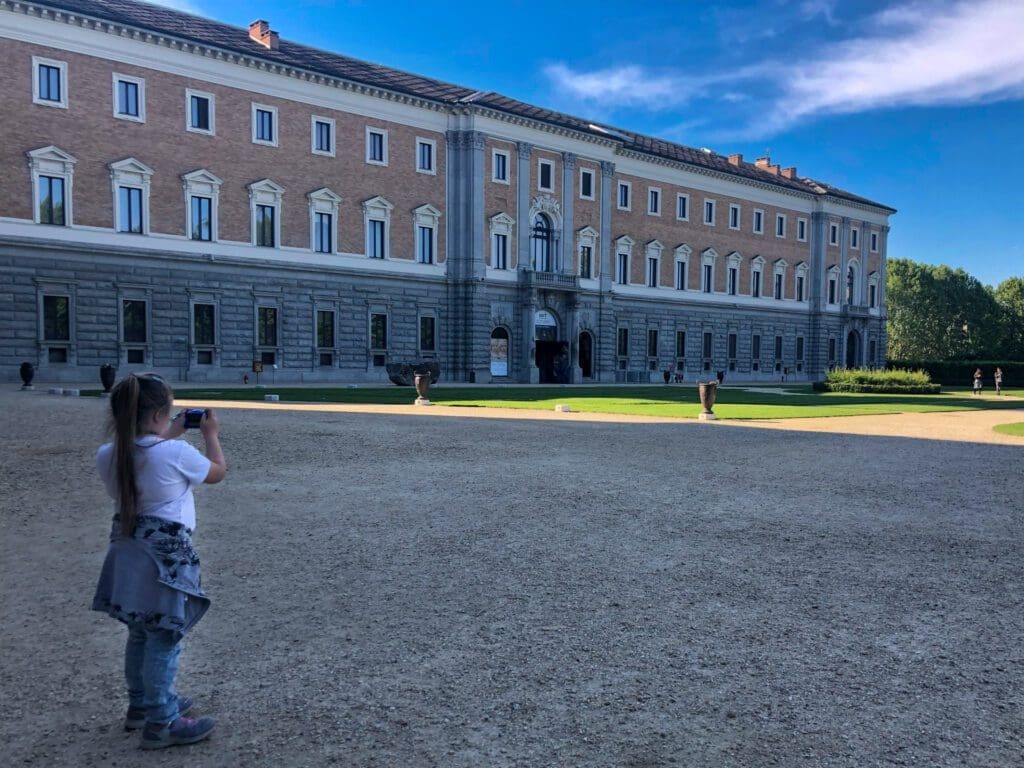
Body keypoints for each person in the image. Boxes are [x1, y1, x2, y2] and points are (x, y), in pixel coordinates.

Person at [91, 373, 226, 749]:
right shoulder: (175, 453)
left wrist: (170, 432)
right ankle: (162, 720)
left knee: (138, 630)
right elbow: (216, 473)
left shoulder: (109, 455)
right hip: (164, 558)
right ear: (156, 417)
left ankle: (142, 705)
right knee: (165, 635)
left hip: (126, 550)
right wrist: (210, 434)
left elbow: (146, 452)